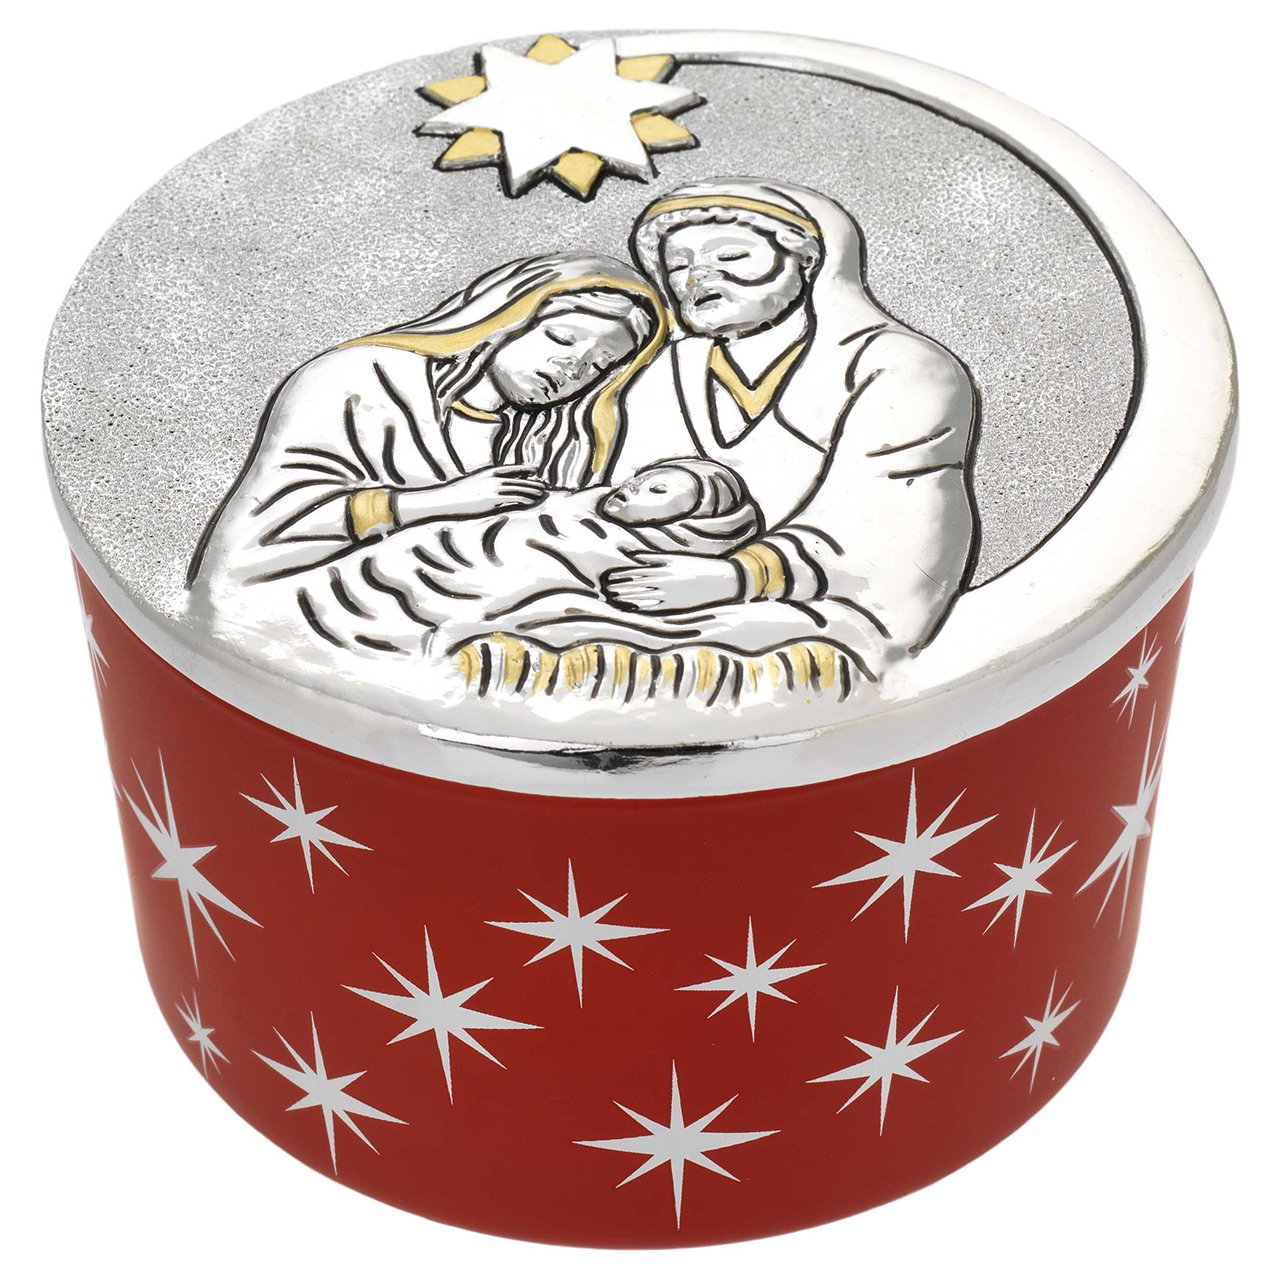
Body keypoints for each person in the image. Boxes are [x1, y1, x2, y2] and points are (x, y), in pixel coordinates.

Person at [606, 178, 980, 661]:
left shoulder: (897, 367)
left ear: (806, 260)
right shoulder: (666, 371)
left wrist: (737, 578)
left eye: (731, 256)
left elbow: (894, 525)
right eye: (678, 266)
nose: (698, 277)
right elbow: (619, 502)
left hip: (826, 611)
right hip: (651, 593)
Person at [187, 253, 667, 610]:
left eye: (600, 365)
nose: (571, 369)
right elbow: (255, 542)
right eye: (561, 338)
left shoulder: (548, 443)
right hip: (309, 601)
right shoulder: (360, 381)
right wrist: (437, 503)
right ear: (503, 321)